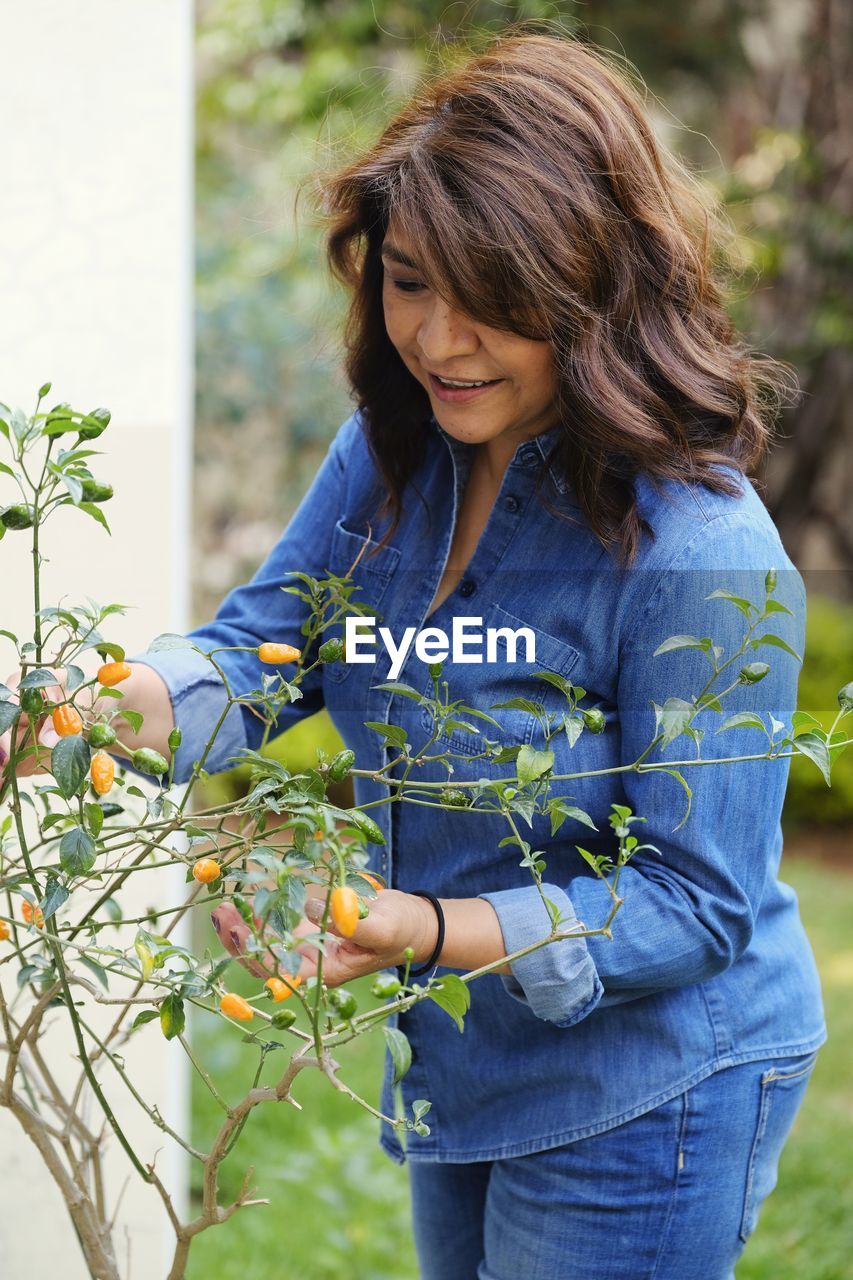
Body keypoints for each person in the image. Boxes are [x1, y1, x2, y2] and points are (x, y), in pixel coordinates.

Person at [2, 28, 827, 1280]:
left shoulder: (696, 550)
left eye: (489, 299)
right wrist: (92, 709)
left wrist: (424, 924)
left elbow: (694, 901)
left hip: (655, 1081)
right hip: (468, 1056)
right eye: (405, 282)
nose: (437, 340)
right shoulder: (395, 455)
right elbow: (266, 648)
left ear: (591, 284)